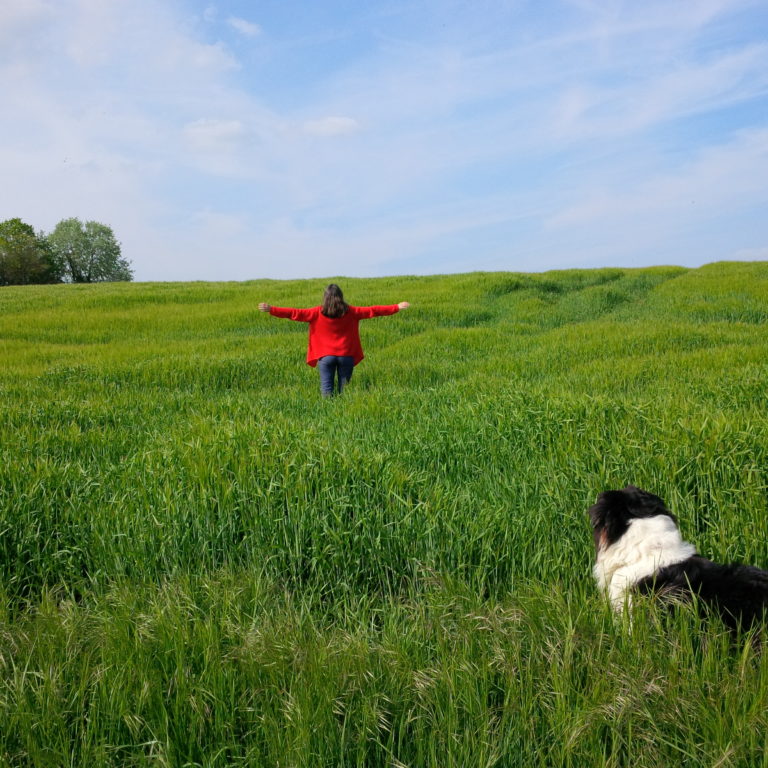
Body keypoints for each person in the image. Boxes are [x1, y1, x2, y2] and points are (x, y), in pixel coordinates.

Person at [259, 284, 410, 396]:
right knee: (344, 392)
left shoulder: (316, 312)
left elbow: (294, 313)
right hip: (346, 356)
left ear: (325, 298)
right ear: (341, 297)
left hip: (325, 357)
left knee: (327, 391)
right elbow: (374, 310)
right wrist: (396, 307)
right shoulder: (352, 312)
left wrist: (272, 309)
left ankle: (328, 418)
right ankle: (342, 415)